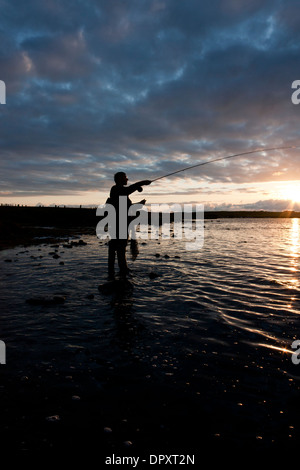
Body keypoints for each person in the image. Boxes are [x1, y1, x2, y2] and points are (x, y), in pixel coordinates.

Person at [107, 172, 151, 279]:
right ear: (120, 179)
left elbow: (129, 207)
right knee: (119, 248)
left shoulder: (121, 192)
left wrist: (139, 204)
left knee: (117, 247)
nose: (127, 179)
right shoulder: (116, 189)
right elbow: (128, 190)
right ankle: (120, 270)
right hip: (118, 223)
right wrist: (142, 183)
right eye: (125, 177)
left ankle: (115, 271)